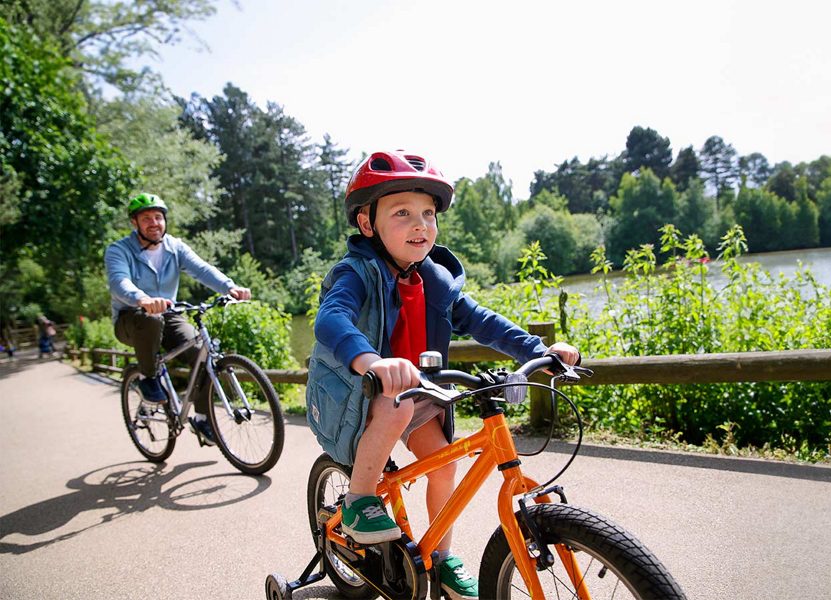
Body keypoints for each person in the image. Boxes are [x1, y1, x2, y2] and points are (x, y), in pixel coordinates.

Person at [308, 150, 580, 600]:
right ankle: (358, 501)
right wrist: (372, 361)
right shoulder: (356, 273)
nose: (421, 225)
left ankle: (441, 557)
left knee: (446, 463)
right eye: (402, 213)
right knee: (394, 407)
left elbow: (483, 321)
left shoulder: (434, 278)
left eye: (428, 214)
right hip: (365, 390)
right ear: (366, 224)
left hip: (416, 391)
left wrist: (539, 350)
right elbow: (331, 319)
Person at [105, 193, 251, 444]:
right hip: (132, 318)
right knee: (150, 320)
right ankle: (148, 379)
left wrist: (230, 287)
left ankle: (203, 420)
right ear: (135, 223)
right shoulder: (119, 250)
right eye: (146, 218)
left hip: (169, 314)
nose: (154, 223)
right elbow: (119, 282)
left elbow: (202, 268)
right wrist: (142, 299)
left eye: (158, 217)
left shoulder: (175, 247)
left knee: (202, 352)